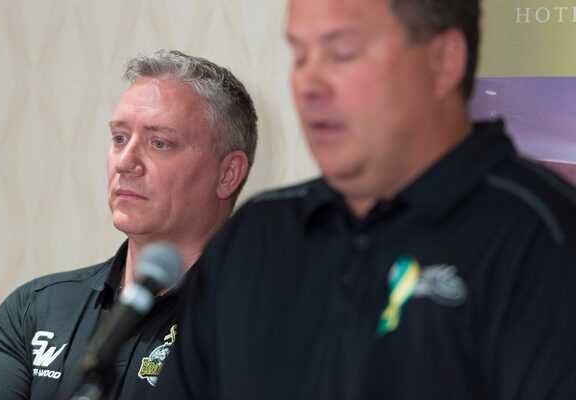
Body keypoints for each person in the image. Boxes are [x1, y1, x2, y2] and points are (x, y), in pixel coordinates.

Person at [154, 0, 576, 399]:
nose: (309, 85)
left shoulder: (543, 237)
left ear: (443, 61)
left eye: (342, 53)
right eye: (300, 56)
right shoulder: (254, 235)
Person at [0, 49, 258, 399]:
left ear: (228, 174)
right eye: (120, 138)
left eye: (160, 143)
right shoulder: (35, 310)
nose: (125, 162)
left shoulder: (270, 319)